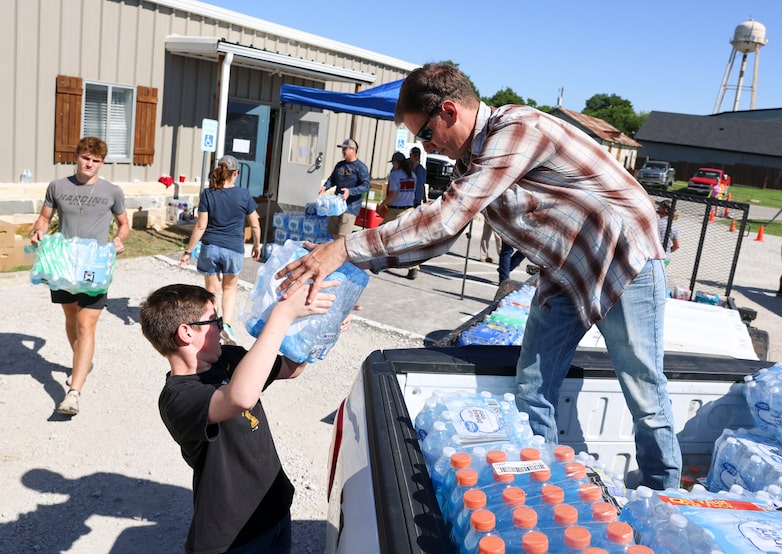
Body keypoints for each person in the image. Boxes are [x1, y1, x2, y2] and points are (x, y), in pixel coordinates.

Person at [276, 63, 681, 490]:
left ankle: (664, 494)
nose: (427, 147)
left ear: (449, 111)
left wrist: (345, 246)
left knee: (642, 390)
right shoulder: (471, 163)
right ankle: (542, 485)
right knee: (532, 386)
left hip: (623, 260)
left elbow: (444, 221)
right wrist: (352, 260)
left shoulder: (518, 129)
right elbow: (436, 239)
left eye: (425, 135)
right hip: (564, 272)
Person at [139, 282, 334, 553]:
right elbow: (240, 397)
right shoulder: (178, 397)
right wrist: (280, 317)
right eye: (213, 320)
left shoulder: (227, 357)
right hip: (232, 536)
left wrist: (322, 324)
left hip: (273, 508)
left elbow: (291, 368)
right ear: (186, 333)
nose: (221, 326)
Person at [30, 136, 129, 416]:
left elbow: (124, 224)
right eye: (86, 158)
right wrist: (38, 231)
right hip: (63, 265)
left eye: (96, 160)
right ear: (77, 157)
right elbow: (44, 218)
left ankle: (73, 392)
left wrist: (119, 240)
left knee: (86, 324)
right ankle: (80, 364)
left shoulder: (112, 191)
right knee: (71, 318)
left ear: (102, 162)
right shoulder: (57, 187)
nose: (90, 164)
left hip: (95, 267)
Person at [179, 155, 261, 345]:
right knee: (230, 288)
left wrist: (188, 252)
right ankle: (228, 326)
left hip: (211, 247)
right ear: (236, 173)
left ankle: (212, 326)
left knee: (212, 290)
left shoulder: (208, 194)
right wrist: (257, 245)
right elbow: (255, 224)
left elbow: (200, 225)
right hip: (234, 249)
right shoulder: (244, 195)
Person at [378, 152, 420, 279]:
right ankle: (414, 267)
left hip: (396, 210)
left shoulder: (395, 175)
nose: (393, 165)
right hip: (409, 209)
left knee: (381, 234)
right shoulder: (412, 175)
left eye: (393, 163)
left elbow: (393, 195)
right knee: (407, 239)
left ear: (397, 163)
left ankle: (380, 261)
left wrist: (382, 204)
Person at [320, 139, 371, 239]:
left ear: (353, 150)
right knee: (334, 234)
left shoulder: (360, 167)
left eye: (345, 149)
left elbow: (366, 186)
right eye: (342, 149)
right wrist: (325, 187)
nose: (343, 151)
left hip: (350, 207)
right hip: (336, 205)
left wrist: (350, 191)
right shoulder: (340, 165)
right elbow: (332, 179)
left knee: (342, 236)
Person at [655, 200, 680, 265]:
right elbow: (677, 246)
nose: (658, 208)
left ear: (665, 210)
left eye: (660, 207)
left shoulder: (655, 223)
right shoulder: (674, 226)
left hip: (653, 256)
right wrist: (668, 251)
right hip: (666, 258)